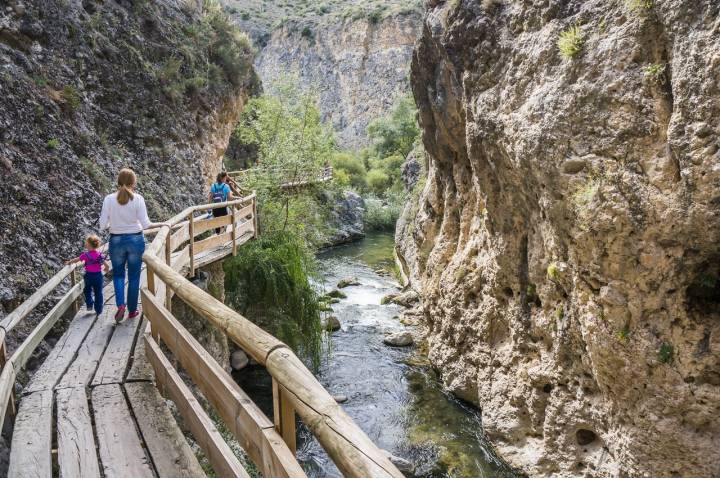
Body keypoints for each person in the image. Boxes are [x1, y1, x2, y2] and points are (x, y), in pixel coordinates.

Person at [100, 168, 167, 322]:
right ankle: (132, 310)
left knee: (118, 275)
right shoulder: (138, 199)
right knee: (134, 276)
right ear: (133, 183)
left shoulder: (109, 199)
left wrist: (114, 223)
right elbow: (146, 224)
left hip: (116, 241)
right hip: (136, 240)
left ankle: (120, 305)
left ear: (118, 182)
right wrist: (164, 223)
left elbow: (102, 225)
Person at [65, 234, 110, 316]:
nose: (85, 244)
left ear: (89, 245)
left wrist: (69, 262)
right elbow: (106, 264)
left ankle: (89, 304)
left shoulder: (86, 255)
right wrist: (106, 268)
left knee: (87, 290)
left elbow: (77, 260)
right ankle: (99, 310)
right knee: (98, 293)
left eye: (86, 243)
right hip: (98, 276)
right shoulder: (99, 255)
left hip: (89, 276)